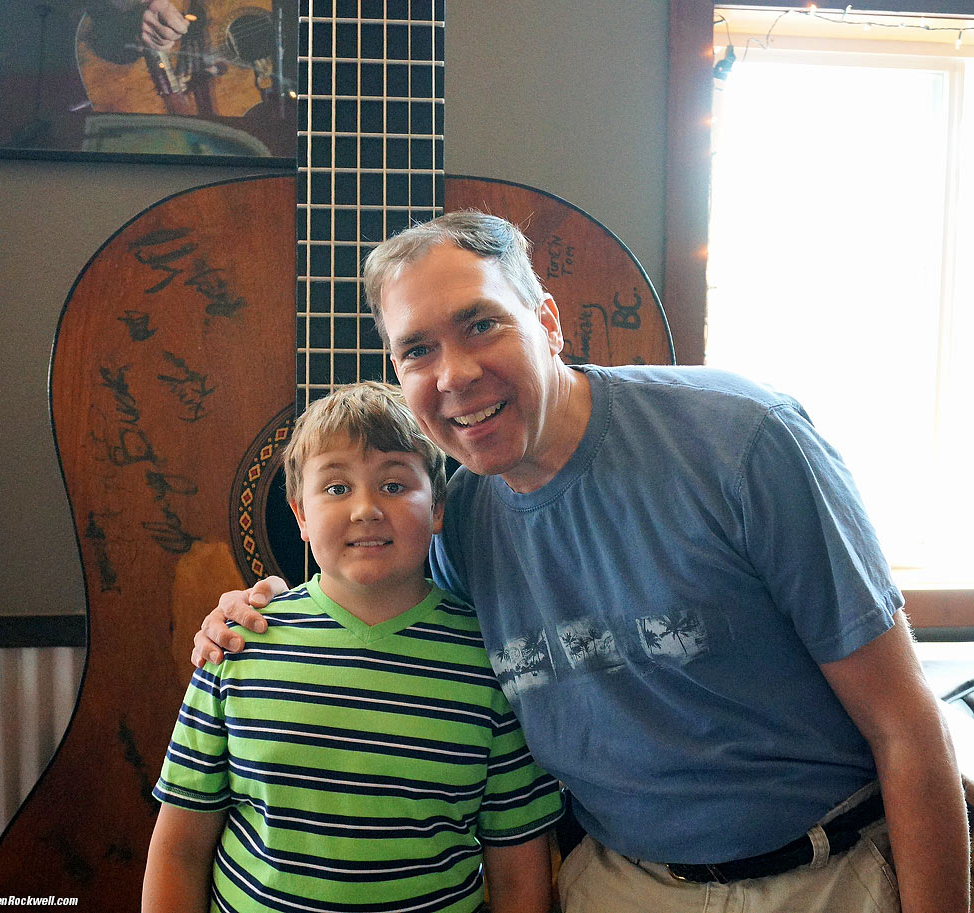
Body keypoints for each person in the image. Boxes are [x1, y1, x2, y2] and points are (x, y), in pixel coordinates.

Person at [194, 212, 971, 913]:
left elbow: (906, 723)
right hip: (612, 883)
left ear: (548, 320)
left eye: (480, 325)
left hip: (825, 879)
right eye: (418, 350)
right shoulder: (457, 522)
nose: (455, 374)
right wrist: (252, 613)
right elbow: (372, 615)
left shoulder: (742, 440)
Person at [144, 381, 563, 913]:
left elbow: (518, 869)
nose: (366, 509)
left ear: (437, 509)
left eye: (393, 484)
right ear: (299, 515)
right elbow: (179, 848)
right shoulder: (238, 642)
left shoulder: (491, 660)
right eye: (337, 488)